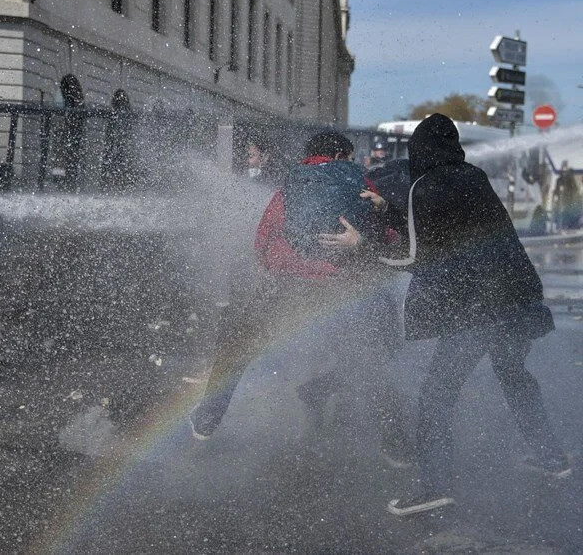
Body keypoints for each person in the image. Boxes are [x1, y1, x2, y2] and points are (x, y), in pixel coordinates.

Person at [330, 114, 570, 516]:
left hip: (479, 309)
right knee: (515, 376)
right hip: (517, 299)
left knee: (437, 394)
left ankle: (434, 485)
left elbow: (413, 254)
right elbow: (439, 226)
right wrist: (389, 206)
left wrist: (362, 245)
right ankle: (551, 458)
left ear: (418, 151)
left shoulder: (425, 186)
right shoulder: (473, 177)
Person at [191, 130, 410, 465]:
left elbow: (265, 248)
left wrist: (304, 266)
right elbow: (390, 239)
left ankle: (207, 420)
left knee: (236, 345)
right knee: (366, 363)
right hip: (343, 290)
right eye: (349, 157)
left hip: (289, 287)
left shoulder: (288, 191)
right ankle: (395, 444)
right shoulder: (364, 187)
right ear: (340, 155)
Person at [552, 161, 581, 231]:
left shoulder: (571, 180)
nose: (564, 172)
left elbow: (575, 191)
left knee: (570, 222)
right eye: (563, 169)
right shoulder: (559, 180)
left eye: (566, 169)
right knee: (562, 221)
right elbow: (556, 192)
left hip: (570, 205)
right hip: (562, 205)